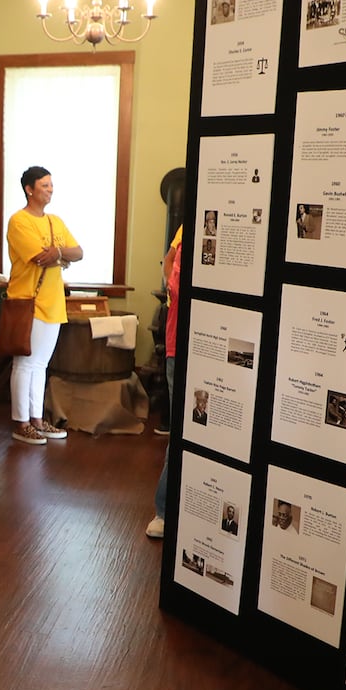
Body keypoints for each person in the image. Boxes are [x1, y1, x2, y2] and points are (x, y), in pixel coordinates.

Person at [5, 166, 83, 445]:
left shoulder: (55, 221)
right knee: (25, 363)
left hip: (53, 303)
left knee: (40, 365)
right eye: (44, 185)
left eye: (51, 185)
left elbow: (79, 252)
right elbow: (38, 257)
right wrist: (61, 257)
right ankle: (21, 422)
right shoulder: (19, 221)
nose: (50, 190)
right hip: (28, 301)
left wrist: (59, 253)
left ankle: (37, 420)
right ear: (29, 189)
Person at [147, 226, 183, 539]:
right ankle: (164, 510)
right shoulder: (190, 229)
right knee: (182, 432)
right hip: (181, 343)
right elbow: (173, 272)